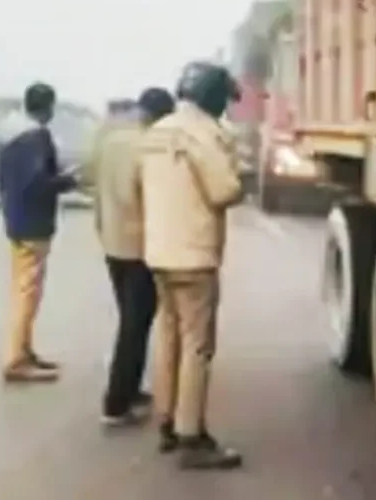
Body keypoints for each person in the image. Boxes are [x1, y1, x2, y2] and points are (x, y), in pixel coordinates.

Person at [139, 61, 246, 470]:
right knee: (198, 345)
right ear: (214, 96)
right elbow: (223, 190)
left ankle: (166, 422)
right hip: (194, 256)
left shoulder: (158, 131)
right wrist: (239, 173)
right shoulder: (204, 134)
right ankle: (191, 437)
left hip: (159, 252)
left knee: (169, 339)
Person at [96, 87, 175, 427]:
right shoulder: (146, 146)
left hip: (112, 242)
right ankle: (116, 403)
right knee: (135, 326)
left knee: (133, 322)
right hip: (140, 245)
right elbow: (146, 196)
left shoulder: (109, 138)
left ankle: (130, 390)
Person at [0, 82, 77, 383]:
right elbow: (38, 182)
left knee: (24, 288)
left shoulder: (8, 132)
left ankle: (25, 351)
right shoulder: (35, 136)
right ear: (47, 107)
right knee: (27, 293)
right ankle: (16, 359)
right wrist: (67, 181)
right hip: (33, 222)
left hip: (16, 218)